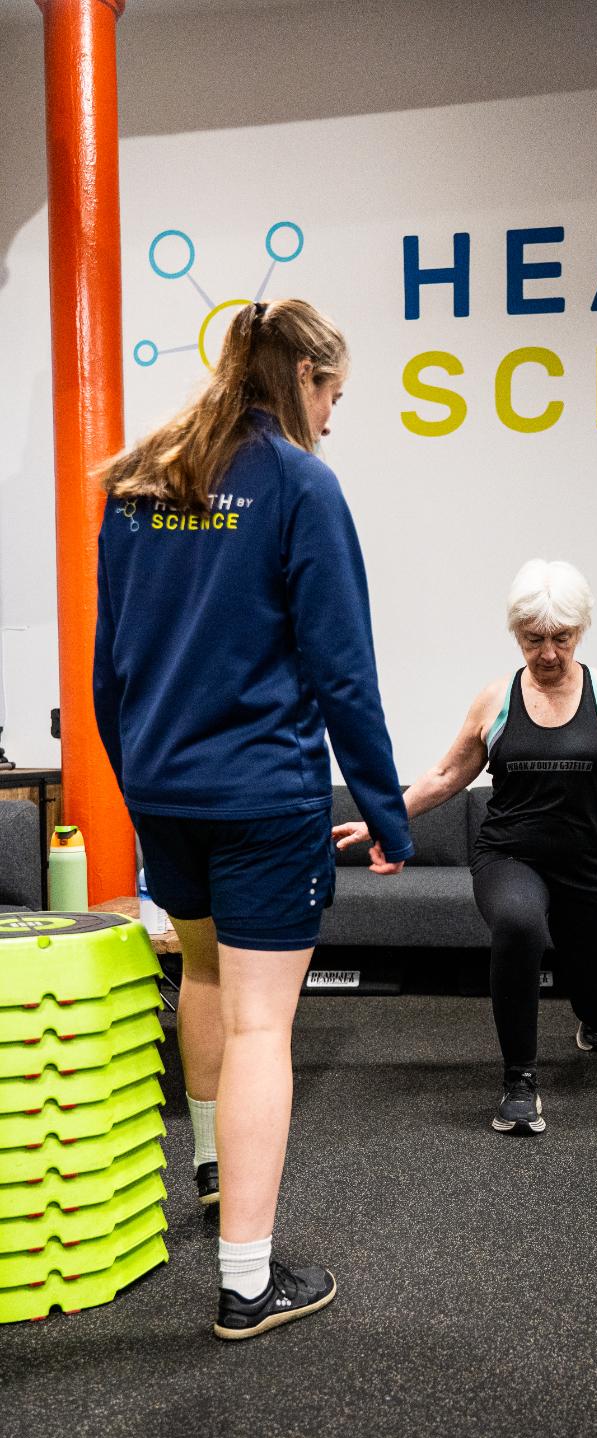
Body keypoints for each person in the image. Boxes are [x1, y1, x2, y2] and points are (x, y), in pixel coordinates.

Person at [93, 298, 412, 1340]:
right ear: (304, 378)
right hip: (262, 796)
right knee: (263, 1021)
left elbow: (110, 665)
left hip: (163, 790)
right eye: (333, 394)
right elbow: (342, 668)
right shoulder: (299, 485)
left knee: (203, 976)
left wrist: (137, 772)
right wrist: (384, 810)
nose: (333, 416)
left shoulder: (143, 476)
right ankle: (245, 1281)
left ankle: (217, 1180)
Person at [334, 558, 597, 1135]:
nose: (547, 653)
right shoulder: (496, 700)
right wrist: (379, 819)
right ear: (516, 634)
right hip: (509, 856)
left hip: (590, 865)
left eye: (560, 639)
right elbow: (443, 776)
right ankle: (519, 1082)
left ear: (580, 632)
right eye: (533, 639)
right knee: (517, 926)